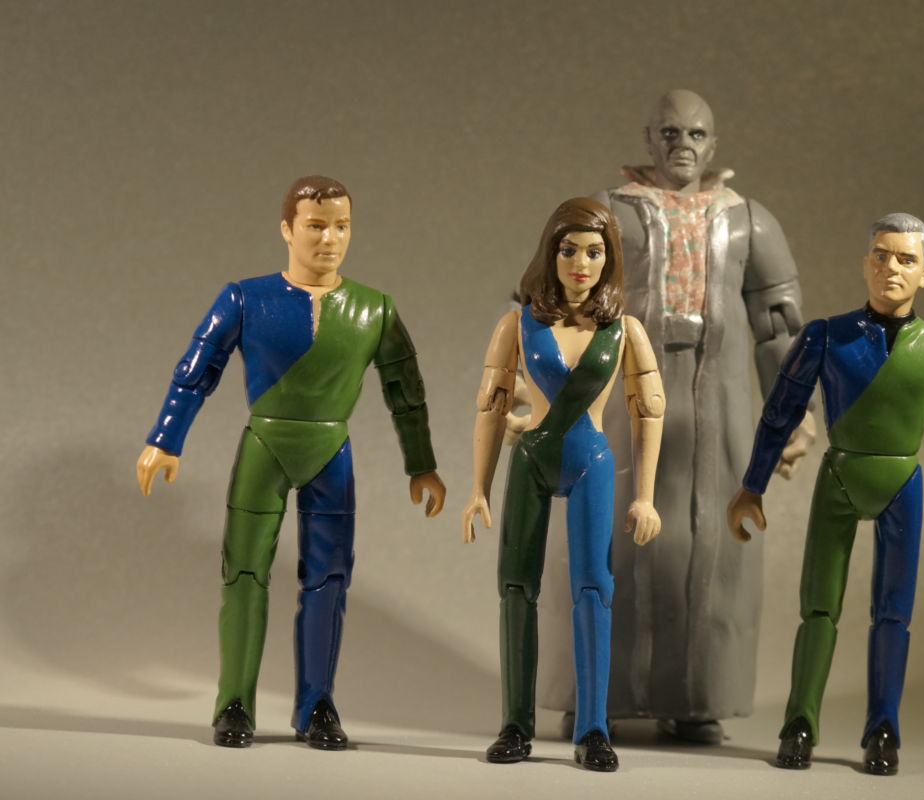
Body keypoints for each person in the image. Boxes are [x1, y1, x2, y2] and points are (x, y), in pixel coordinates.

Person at [524, 89, 811, 744]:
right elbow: (550, 300)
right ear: (649, 138)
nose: (683, 145)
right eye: (670, 132)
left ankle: (696, 698)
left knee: (712, 542)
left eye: (696, 134)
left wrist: (792, 413)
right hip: (616, 391)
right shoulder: (607, 211)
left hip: (719, 402)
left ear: (714, 144)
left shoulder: (749, 222)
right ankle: (591, 693)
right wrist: (529, 391)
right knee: (604, 534)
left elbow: (779, 327)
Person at [136, 175, 446, 749]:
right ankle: (234, 702)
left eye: (341, 226)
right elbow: (196, 370)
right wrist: (166, 438)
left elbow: (406, 392)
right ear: (287, 229)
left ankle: (317, 704)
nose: (330, 238)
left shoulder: (374, 309)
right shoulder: (245, 298)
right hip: (265, 446)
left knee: (329, 579)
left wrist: (421, 464)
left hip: (332, 451)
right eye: (316, 225)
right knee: (244, 574)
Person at [727, 212, 924, 775]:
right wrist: (751, 486)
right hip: (838, 477)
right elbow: (780, 413)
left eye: (906, 259)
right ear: (865, 263)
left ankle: (883, 728)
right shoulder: (825, 336)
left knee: (893, 615)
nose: (891, 268)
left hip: (902, 483)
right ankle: (799, 723)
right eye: (881, 255)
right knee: (817, 609)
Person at [463, 197, 664, 771]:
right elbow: (491, 406)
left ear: (610, 259)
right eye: (569, 250)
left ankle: (593, 728)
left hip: (591, 460)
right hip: (532, 458)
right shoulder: (517, 324)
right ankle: (515, 724)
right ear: (550, 254)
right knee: (515, 588)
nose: (581, 264)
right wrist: (478, 488)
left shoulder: (624, 331)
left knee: (594, 589)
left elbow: (649, 410)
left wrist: (645, 496)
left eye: (594, 252)